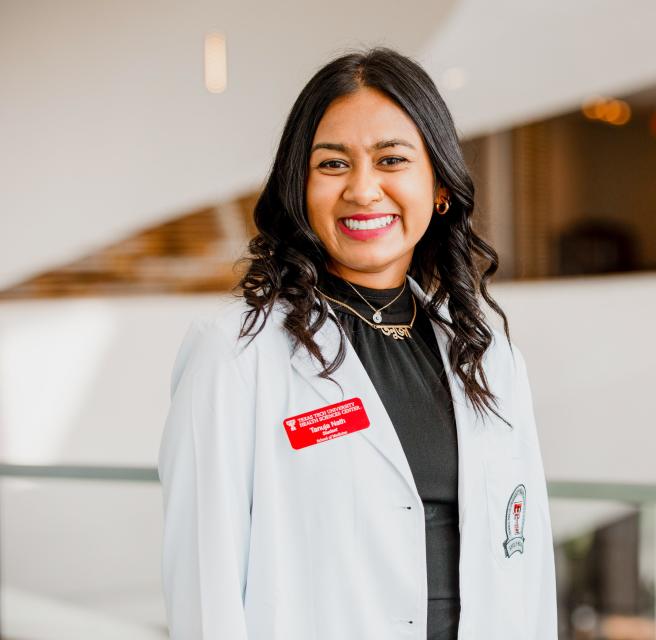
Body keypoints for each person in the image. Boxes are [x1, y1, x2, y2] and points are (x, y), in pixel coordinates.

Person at [157, 47, 557, 639]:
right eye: (333, 165)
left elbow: (527, 571)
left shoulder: (489, 358)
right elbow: (203, 590)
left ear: (439, 185)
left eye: (392, 159)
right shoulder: (236, 354)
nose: (364, 191)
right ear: (301, 188)